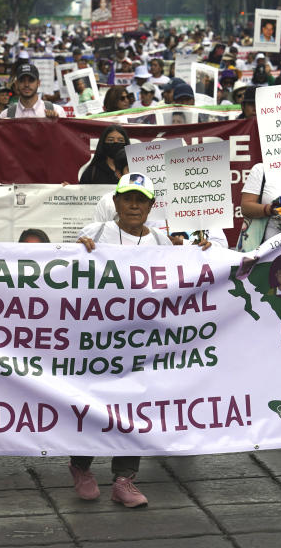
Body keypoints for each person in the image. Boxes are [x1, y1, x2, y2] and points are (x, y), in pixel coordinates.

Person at [73, 173, 209, 508]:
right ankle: (80, 465)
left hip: (143, 343)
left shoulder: (162, 243)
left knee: (135, 406)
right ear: (116, 202)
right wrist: (78, 251)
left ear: (151, 206)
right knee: (96, 406)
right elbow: (67, 270)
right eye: (128, 198)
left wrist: (204, 253)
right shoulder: (95, 234)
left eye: (141, 200)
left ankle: (124, 479)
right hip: (100, 341)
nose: (134, 205)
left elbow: (185, 277)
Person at [0, 64, 65, 118]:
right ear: (16, 84)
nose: (26, 84)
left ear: (38, 83)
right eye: (22, 81)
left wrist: (56, 124)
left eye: (31, 80)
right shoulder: (5, 116)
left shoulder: (57, 111)